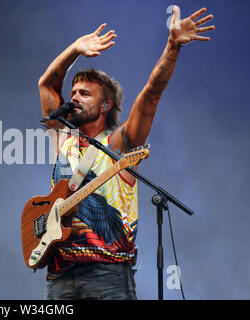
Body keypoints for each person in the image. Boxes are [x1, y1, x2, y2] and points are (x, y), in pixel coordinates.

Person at [38, 6, 215, 300]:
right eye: (73, 93)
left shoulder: (119, 143)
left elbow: (152, 92)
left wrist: (172, 46)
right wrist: (74, 49)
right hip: (58, 273)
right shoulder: (62, 139)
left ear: (106, 106)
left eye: (85, 93)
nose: (74, 97)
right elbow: (46, 84)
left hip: (108, 275)